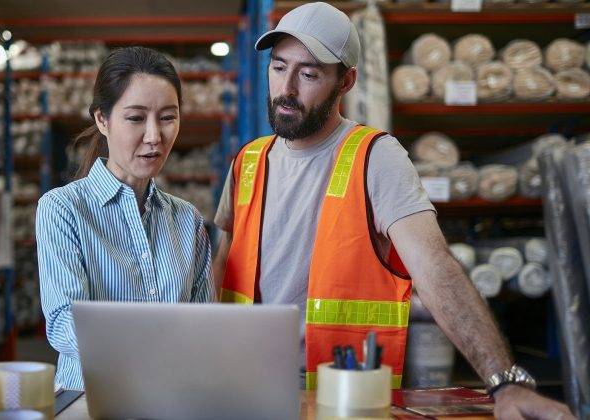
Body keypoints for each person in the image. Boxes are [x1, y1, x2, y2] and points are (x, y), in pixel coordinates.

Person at [212, 3, 574, 419]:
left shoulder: (375, 157)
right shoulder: (249, 160)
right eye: (278, 68)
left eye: (308, 74)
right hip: (245, 383)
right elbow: (222, 268)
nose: (287, 88)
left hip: (342, 392)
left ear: (345, 81)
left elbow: (435, 268)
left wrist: (504, 381)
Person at [37, 46, 214, 391]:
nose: (154, 137)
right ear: (102, 120)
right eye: (136, 118)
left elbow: (203, 325)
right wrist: (161, 343)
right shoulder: (62, 209)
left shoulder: (187, 220)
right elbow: (63, 325)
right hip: (88, 402)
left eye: (167, 117)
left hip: (171, 401)